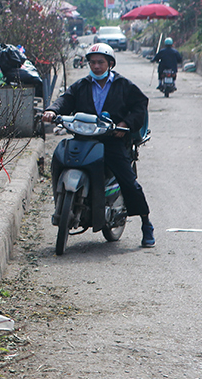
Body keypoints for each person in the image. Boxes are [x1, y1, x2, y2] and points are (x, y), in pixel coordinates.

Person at [42, 43, 155, 248]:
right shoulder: (82, 86)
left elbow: (140, 105)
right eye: (92, 62)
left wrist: (125, 124)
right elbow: (64, 101)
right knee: (61, 157)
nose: (96, 66)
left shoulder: (123, 85)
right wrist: (52, 111)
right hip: (84, 139)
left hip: (112, 141)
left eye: (101, 62)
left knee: (129, 181)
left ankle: (146, 223)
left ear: (110, 64)